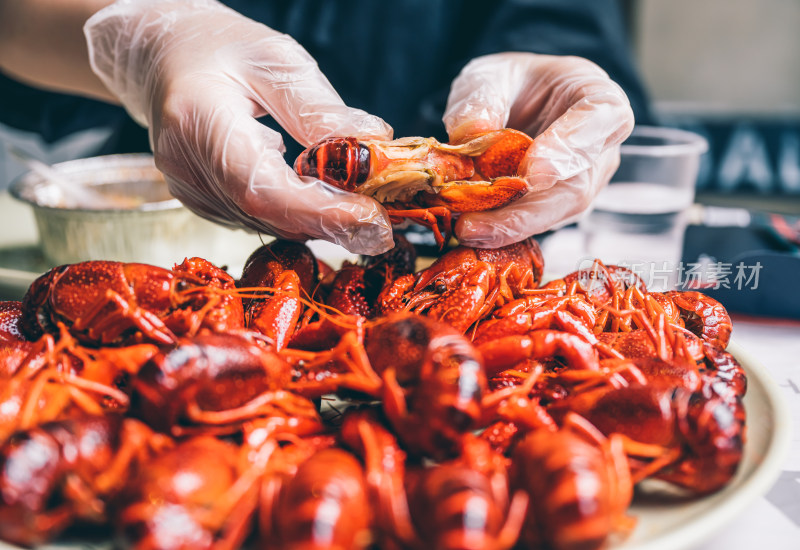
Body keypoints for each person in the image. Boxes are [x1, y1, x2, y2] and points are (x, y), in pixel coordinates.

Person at [0, 0, 648, 255]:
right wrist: (143, 35)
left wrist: (561, 69)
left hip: (445, 242)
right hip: (164, 225)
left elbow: (568, 18)